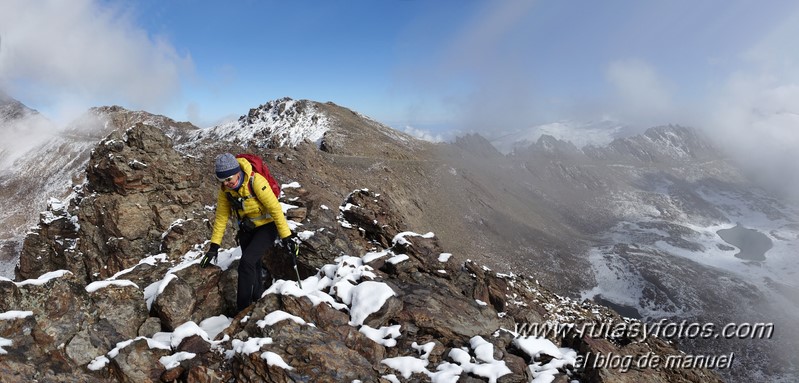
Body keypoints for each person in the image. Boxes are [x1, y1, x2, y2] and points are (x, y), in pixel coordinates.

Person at [200, 152, 297, 312]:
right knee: (254, 264)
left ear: (237, 172)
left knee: (246, 263)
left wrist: (287, 237)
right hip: (247, 228)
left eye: (229, 179)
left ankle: (242, 309)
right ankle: (257, 298)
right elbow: (221, 217)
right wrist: (214, 247)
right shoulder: (225, 190)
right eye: (222, 180)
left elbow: (275, 209)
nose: (226, 183)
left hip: (267, 226)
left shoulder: (256, 181)